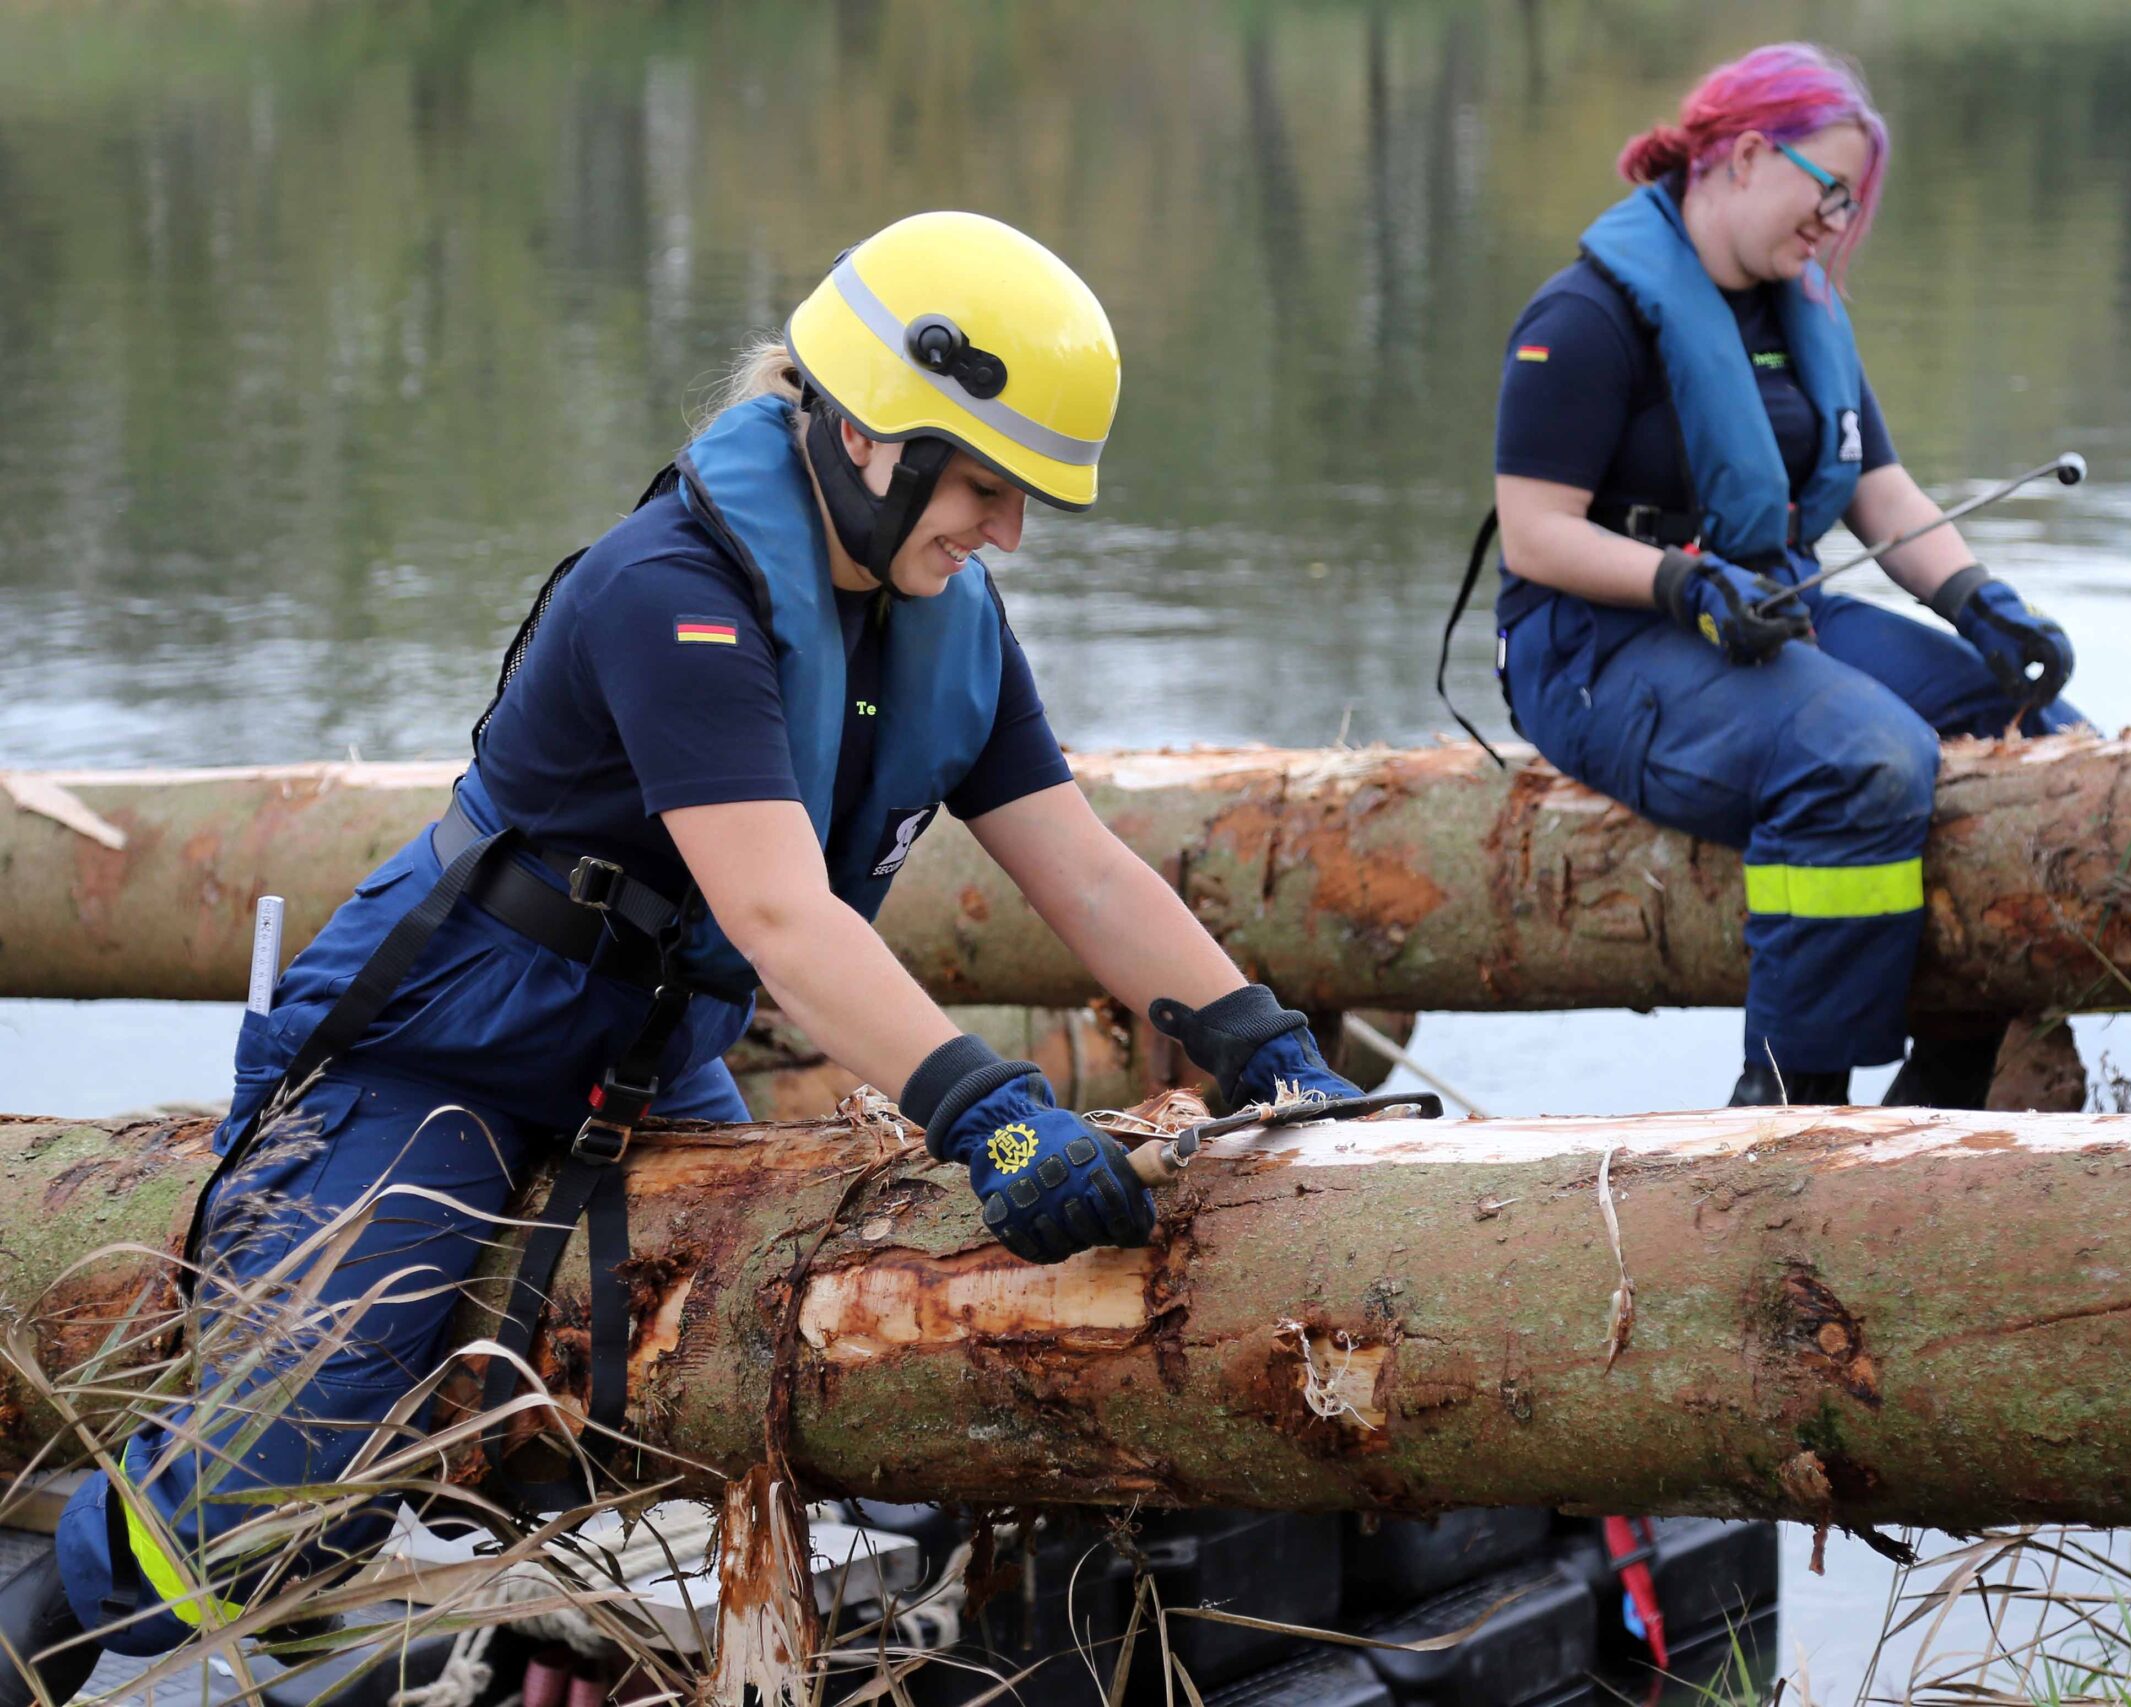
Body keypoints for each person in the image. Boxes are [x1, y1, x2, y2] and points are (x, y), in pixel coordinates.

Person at [0, 211, 1363, 1702]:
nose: (1007, 534)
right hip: (442, 1051)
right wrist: (988, 1109)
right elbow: (782, 918)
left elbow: (1081, 860)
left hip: (647, 1067)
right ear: (866, 430)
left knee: (710, 1398)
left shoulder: (944, 617)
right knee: (289, 1442)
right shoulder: (677, 594)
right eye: (985, 487)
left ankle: (530, 1650)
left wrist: (1260, 1039)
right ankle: (43, 1621)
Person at [1462, 43, 2086, 1110]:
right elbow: (1534, 534)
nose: (1837, 224)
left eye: (1852, 205)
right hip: (1597, 649)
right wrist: (1682, 586)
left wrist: (1984, 604)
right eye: (1828, 193)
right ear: (1747, 155)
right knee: (1859, 755)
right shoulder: (1584, 317)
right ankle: (1792, 1097)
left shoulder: (1804, 310)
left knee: (2027, 721)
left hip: (1766, 612)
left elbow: (1877, 487)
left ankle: (1952, 1065)